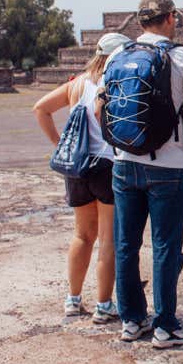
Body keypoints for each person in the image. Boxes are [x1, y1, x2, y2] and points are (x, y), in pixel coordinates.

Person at [97, 0, 183, 348]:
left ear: (139, 21)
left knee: (125, 244)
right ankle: (165, 325)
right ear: (171, 19)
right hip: (170, 164)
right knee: (165, 246)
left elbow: (102, 105)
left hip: (125, 163)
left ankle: (131, 320)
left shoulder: (118, 55)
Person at [33, 32, 129, 323]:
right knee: (108, 240)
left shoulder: (78, 84)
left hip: (78, 165)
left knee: (82, 235)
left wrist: (59, 143)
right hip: (107, 164)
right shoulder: (113, 83)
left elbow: (41, 108)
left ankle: (73, 300)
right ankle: (103, 305)